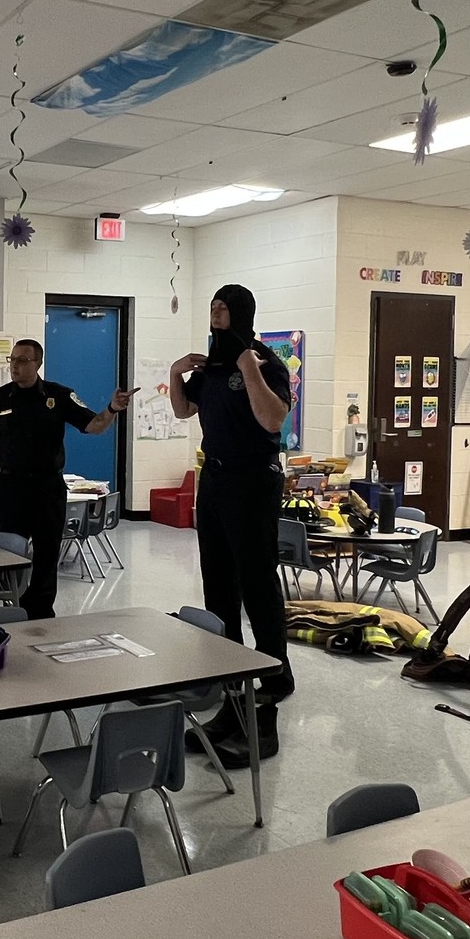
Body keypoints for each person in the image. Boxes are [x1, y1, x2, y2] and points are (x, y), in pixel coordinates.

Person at [170, 284, 294, 769]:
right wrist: (177, 373)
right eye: (212, 307)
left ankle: (274, 673)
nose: (215, 314)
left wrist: (249, 369)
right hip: (216, 477)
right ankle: (229, 671)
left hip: (253, 478)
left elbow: (273, 421)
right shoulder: (213, 366)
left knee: (257, 579)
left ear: (241, 313)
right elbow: (184, 410)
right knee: (217, 580)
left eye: (223, 308)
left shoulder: (265, 363)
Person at [0, 339, 137, 620]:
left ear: (37, 364)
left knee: (46, 554)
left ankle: (40, 613)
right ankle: (11, 607)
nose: (14, 366)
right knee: (10, 552)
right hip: (11, 487)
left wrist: (113, 408)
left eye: (22, 360)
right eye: (12, 360)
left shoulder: (58, 396)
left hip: (47, 488)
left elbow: (94, 425)